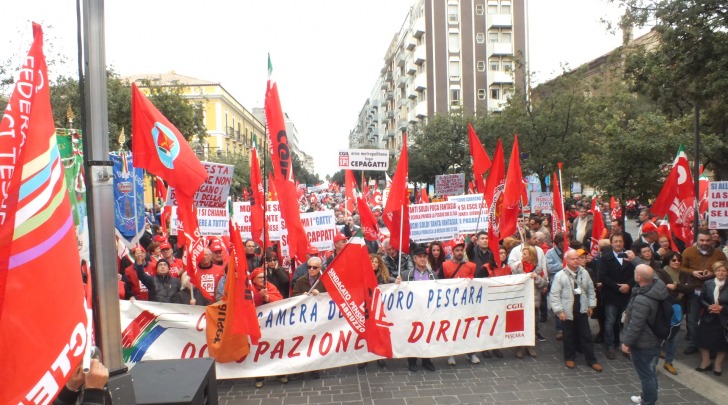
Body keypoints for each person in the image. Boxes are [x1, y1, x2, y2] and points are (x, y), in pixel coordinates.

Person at [621, 264, 668, 405]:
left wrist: (626, 342)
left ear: (639, 277)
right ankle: (645, 397)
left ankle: (648, 401)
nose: (634, 274)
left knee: (647, 375)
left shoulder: (642, 299)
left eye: (635, 272)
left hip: (644, 342)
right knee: (650, 372)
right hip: (654, 339)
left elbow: (636, 324)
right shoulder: (657, 287)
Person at [550, 250, 602, 372]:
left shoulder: (584, 273)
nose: (575, 261)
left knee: (586, 335)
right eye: (572, 259)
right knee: (568, 336)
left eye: (577, 258)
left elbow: (590, 290)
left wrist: (591, 305)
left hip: (581, 309)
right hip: (567, 311)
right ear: (567, 260)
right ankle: (569, 357)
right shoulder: (560, 275)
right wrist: (559, 311)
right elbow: (554, 295)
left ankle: (591, 360)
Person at [680, 229, 728, 354]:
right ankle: (694, 343)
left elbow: (724, 268)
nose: (705, 242)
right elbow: (681, 267)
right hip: (695, 290)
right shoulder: (688, 251)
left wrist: (712, 273)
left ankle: (711, 345)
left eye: (707, 240)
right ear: (697, 240)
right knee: (692, 320)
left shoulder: (719, 254)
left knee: (712, 320)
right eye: (702, 240)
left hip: (713, 291)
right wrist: (693, 272)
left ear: (712, 240)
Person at [396, 246, 438, 372]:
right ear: (414, 259)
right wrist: (397, 283)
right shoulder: (405, 274)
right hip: (412, 311)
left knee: (427, 334)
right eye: (420, 257)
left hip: (427, 310)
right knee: (412, 334)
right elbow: (399, 292)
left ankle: (426, 360)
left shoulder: (433, 275)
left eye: (425, 257)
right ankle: (412, 360)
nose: (423, 259)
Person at [597, 232, 636, 360]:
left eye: (620, 241)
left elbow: (636, 273)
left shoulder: (630, 257)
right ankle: (609, 345)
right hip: (612, 294)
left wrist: (628, 285)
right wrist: (617, 286)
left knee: (624, 320)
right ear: (611, 243)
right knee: (610, 321)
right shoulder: (605, 258)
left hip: (626, 294)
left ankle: (622, 343)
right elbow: (603, 276)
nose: (618, 243)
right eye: (616, 241)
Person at [440, 242, 480, 365]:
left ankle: (471, 353)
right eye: (457, 250)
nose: (459, 253)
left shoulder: (471, 266)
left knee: (468, 328)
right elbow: (440, 283)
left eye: (461, 250)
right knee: (452, 328)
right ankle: (451, 354)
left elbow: (476, 283)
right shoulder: (445, 265)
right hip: (451, 303)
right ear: (452, 252)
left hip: (467, 303)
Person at [654, 251, 691, 375]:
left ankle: (669, 362)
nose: (677, 262)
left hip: (678, 308)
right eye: (673, 260)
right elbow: (662, 287)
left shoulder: (684, 273)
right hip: (665, 308)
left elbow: (689, 288)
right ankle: (653, 363)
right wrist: (681, 287)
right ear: (668, 261)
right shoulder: (661, 273)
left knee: (674, 338)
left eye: (678, 260)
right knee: (659, 337)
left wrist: (676, 286)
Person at [290, 257, 327, 380]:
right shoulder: (301, 281)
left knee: (315, 342)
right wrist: (301, 296)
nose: (311, 269)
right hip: (304, 317)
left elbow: (332, 297)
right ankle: (301, 368)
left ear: (320, 268)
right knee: (304, 342)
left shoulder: (325, 280)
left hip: (319, 316)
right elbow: (293, 295)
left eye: (314, 267)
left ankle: (315, 367)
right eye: (309, 267)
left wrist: (321, 295)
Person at [511, 245, 549, 357]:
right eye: (522, 253)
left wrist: (536, 278)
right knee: (520, 324)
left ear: (531, 255)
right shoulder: (517, 266)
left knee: (533, 325)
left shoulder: (538, 269)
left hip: (533, 301)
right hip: (521, 301)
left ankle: (530, 346)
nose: (522, 256)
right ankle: (519, 347)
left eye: (525, 254)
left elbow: (544, 284)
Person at [695, 261, 728, 376]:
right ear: (714, 272)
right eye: (718, 270)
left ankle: (718, 365)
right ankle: (706, 362)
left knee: (722, 343)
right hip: (708, 316)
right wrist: (709, 306)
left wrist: (722, 308)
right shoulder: (708, 283)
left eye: (723, 270)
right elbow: (701, 298)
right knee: (702, 339)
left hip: (724, 318)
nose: (721, 272)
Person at [546, 232, 567, 338]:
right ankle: (560, 329)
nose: (566, 243)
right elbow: (549, 268)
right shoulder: (550, 253)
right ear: (558, 243)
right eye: (564, 241)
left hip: (569, 283)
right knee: (558, 305)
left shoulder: (571, 251)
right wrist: (563, 265)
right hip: (556, 282)